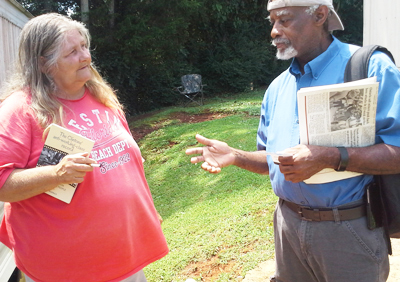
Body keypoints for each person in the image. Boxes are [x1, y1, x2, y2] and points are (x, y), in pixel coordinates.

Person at [186, 0, 400, 281]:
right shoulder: (277, 88)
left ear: (320, 15)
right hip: (287, 228)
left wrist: (328, 157)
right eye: (272, 22)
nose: (274, 31)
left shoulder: (369, 67)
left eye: (284, 20)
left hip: (348, 232)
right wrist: (236, 156)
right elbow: (273, 160)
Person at [0, 13, 168, 282]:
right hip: (64, 269)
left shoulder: (101, 95)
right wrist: (56, 174)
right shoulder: (20, 110)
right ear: (44, 64)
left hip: (125, 256)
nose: (86, 57)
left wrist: (146, 211)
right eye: (72, 52)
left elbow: (129, 165)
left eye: (84, 47)